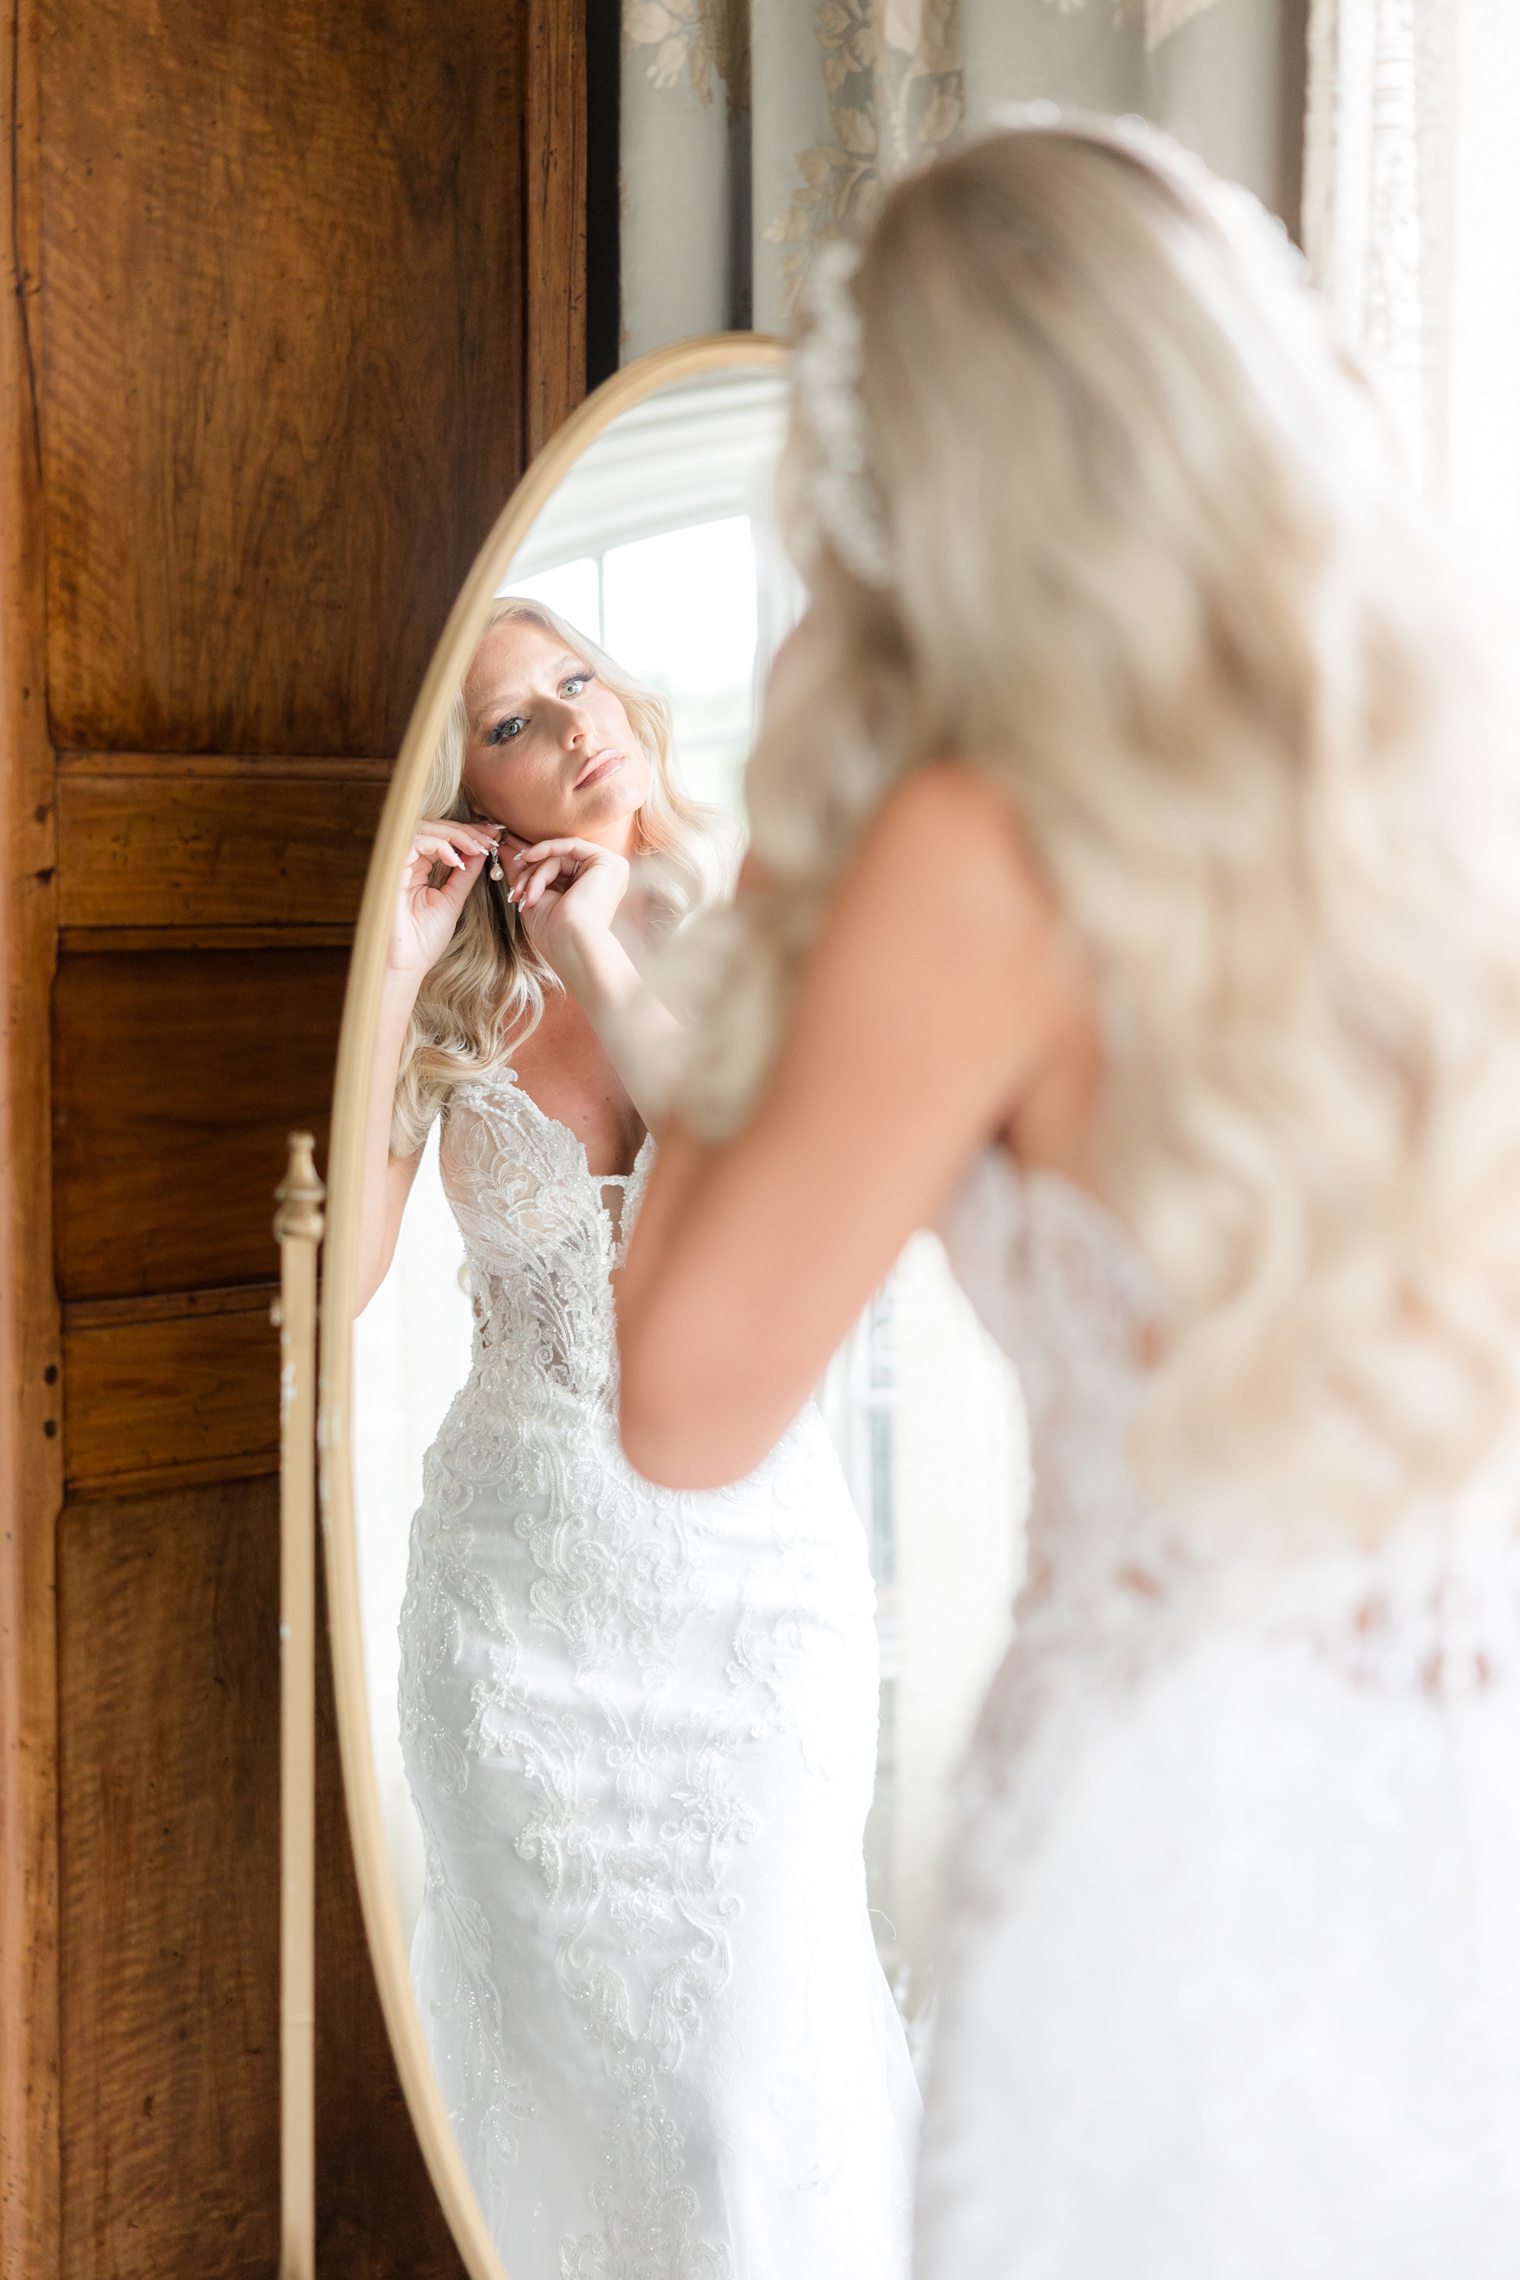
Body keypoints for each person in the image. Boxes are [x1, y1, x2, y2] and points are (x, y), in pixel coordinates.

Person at [614, 115, 1520, 2276]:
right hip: (1450, 1841)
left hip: (1167, 1867)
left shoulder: (972, 849)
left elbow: (684, 1400)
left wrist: (787, 850)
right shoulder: (1441, 781)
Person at [358, 598, 917, 2279]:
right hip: (510, 1624)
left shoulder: (767, 906)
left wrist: (608, 950)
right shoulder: (458, 1000)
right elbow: (351, 1269)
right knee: (566, 2095)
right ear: (466, 791)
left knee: (747, 2079)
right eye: (512, 723)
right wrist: (394, 969)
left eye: (574, 681)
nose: (572, 725)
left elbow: (769, 1208)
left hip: (750, 1600)